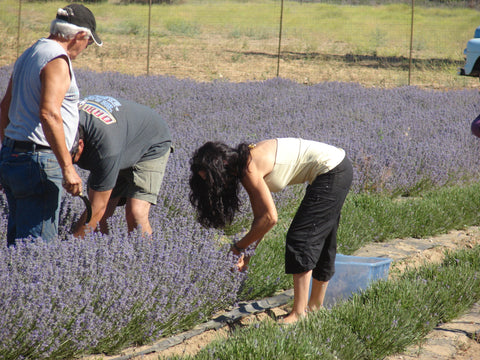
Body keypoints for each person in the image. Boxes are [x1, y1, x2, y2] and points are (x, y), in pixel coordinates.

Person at [189, 138, 352, 324]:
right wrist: (247, 253)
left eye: (211, 179)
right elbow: (261, 220)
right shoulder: (245, 162)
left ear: (221, 167)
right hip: (337, 167)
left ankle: (299, 314)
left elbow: (270, 218)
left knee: (301, 238)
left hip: (332, 170)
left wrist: (238, 247)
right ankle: (314, 307)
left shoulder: (248, 168)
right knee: (323, 237)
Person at [0, 4, 102, 246]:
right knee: (38, 248)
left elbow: (4, 108)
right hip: (39, 161)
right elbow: (49, 113)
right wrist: (67, 167)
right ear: (80, 36)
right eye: (88, 43)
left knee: (17, 244)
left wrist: (6, 151)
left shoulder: (29, 53)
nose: (85, 48)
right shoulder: (56, 59)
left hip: (14, 156)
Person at [71, 95, 173, 237]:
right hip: (120, 135)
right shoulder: (59, 124)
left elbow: (97, 207)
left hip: (150, 142)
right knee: (103, 217)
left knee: (135, 213)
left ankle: (143, 256)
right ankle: (103, 250)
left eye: (71, 159)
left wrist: (72, 245)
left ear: (81, 145)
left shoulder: (105, 150)